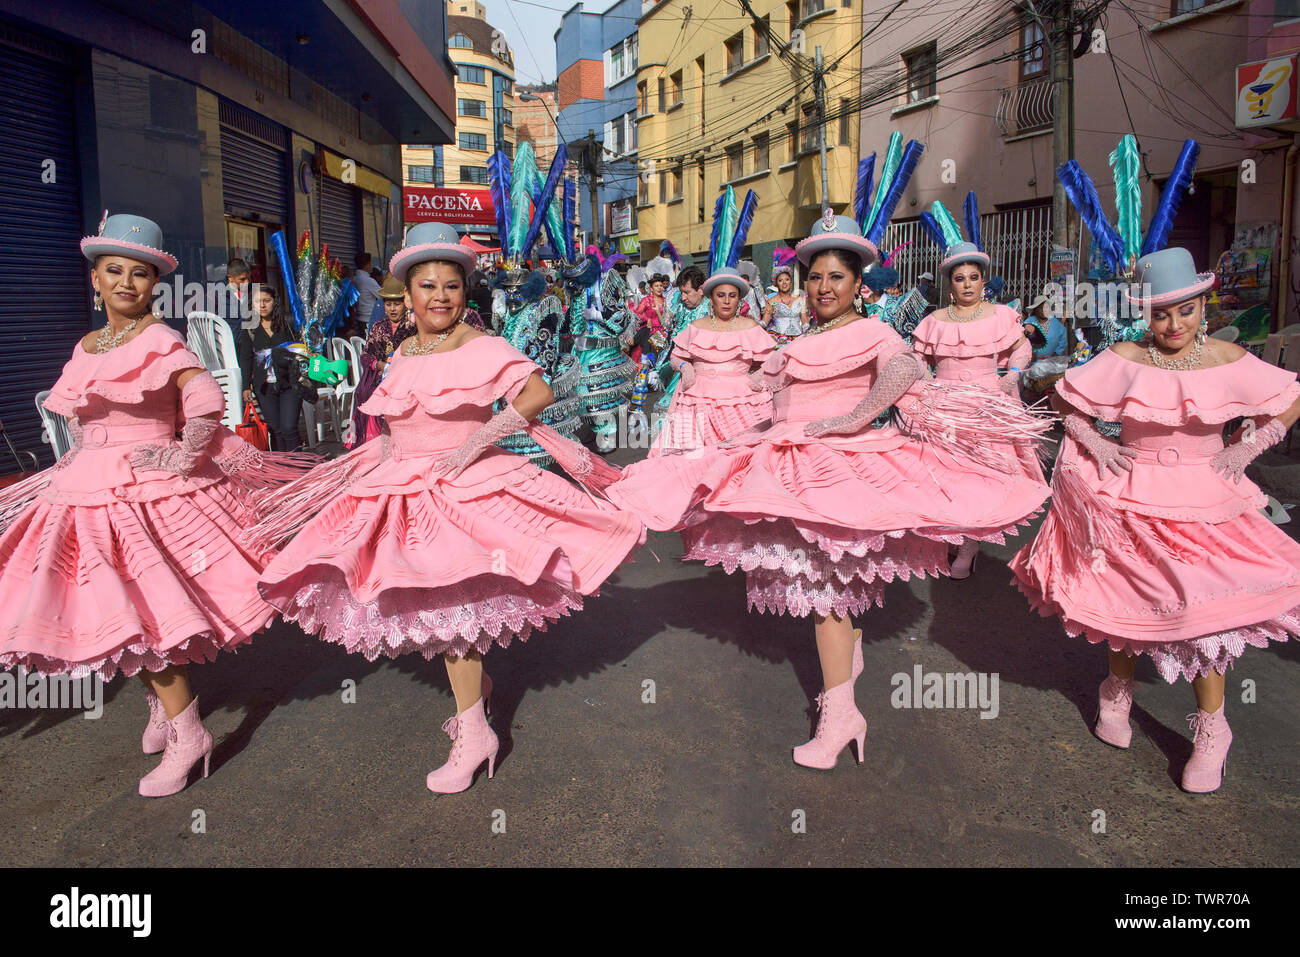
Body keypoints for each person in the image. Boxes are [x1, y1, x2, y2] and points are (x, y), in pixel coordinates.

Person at [606, 211, 1045, 769]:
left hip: (842, 471)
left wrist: (854, 417)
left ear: (858, 285)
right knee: (826, 587)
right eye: (815, 277)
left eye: (836, 277)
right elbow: (779, 407)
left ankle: (842, 714)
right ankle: (844, 673)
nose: (823, 287)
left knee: (824, 592)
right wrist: (732, 445)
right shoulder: (799, 339)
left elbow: (904, 370)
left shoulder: (873, 330)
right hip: (790, 466)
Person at [249, 222, 644, 794]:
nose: (440, 297)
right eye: (427, 286)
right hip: (404, 487)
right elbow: (398, 421)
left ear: (465, 292)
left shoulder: (481, 345)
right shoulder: (406, 349)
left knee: (452, 605)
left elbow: (537, 394)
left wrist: (477, 442)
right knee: (430, 600)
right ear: (407, 294)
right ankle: (473, 705)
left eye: (451, 287)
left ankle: (474, 730)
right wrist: (371, 462)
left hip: (464, 489)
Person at [0, 213, 314, 797]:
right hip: (84, 489)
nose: (125, 282)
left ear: (155, 284)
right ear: (95, 280)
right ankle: (161, 708)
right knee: (117, 608)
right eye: (113, 271)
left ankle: (188, 732)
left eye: (139, 274)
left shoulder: (160, 339)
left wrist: (178, 459)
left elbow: (204, 400)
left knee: (146, 613)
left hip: (144, 491)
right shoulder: (90, 343)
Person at [1011, 247, 1300, 793]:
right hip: (1132, 489)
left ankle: (1212, 729)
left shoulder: (1224, 358)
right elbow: (1064, 398)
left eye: (1185, 311)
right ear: (1144, 313)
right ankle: (1117, 691)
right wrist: (1094, 438)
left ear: (1202, 304)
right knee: (1128, 595)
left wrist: (1252, 444)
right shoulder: (1124, 355)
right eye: (1161, 313)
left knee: (1205, 610)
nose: (1173, 325)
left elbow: (1289, 397)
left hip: (1207, 495)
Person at [910, 241, 1049, 578]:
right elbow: (916, 358)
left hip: (987, 405)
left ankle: (969, 544)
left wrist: (1014, 373)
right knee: (944, 476)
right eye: (960, 278)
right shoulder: (934, 320)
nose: (968, 284)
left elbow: (1021, 347)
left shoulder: (1000, 315)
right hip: (943, 406)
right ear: (950, 284)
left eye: (974, 277)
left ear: (983, 281)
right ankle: (948, 537)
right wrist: (923, 382)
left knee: (979, 478)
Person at [652, 265, 776, 455]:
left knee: (741, 457)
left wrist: (760, 374)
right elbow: (676, 356)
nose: (726, 301)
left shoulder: (749, 327)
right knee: (692, 460)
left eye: (732, 296)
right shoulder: (697, 326)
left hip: (741, 400)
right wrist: (685, 367)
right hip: (698, 399)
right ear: (711, 297)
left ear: (739, 299)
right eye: (721, 295)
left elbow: (771, 361)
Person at [348, 273, 415, 448]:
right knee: (365, 393)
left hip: (406, 381)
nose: (392, 308)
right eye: (388, 304)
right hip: (378, 378)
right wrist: (379, 365)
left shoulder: (414, 328)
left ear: (405, 304)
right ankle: (372, 446)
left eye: (397, 304)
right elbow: (365, 355)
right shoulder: (378, 327)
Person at [236, 285, 305, 452]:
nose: (262, 305)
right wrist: (246, 386)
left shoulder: (288, 325)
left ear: (275, 302)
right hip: (264, 388)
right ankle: (282, 470)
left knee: (289, 428)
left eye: (267, 300)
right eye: (258, 301)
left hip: (290, 385)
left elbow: (301, 351)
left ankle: (301, 466)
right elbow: (246, 358)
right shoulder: (250, 329)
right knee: (276, 430)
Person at [760, 263, 808, 345]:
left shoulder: (799, 300)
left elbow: (804, 319)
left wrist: (808, 329)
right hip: (778, 339)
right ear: (776, 284)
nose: (784, 283)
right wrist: (753, 323)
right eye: (780, 280)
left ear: (791, 282)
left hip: (798, 338)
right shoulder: (771, 301)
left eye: (787, 279)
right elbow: (764, 323)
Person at [352, 252, 381, 329]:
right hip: (368, 317)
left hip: (359, 316)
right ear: (367, 264)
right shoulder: (368, 281)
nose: (371, 265)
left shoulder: (355, 279)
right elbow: (382, 295)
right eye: (370, 263)